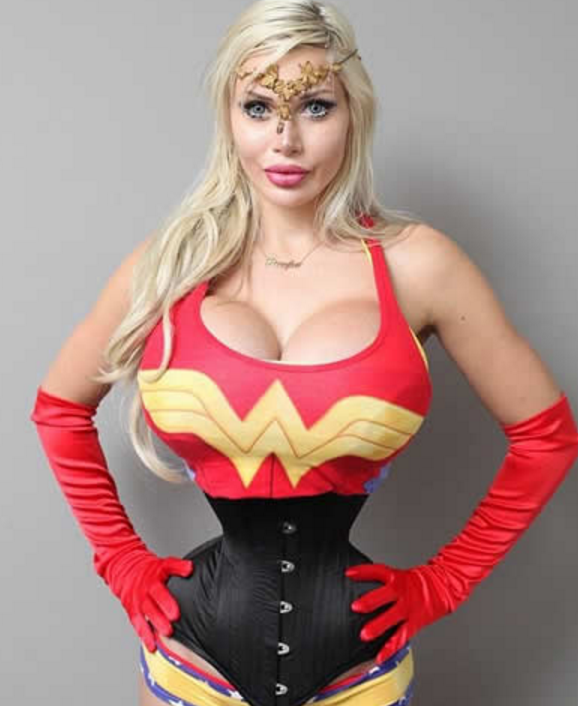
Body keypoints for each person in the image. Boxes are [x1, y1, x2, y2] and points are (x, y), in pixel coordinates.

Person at [30, 1, 578, 705]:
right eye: (258, 108)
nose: (284, 139)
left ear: (354, 113)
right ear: (228, 117)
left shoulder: (420, 266)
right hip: (190, 661)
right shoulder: (169, 267)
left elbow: (546, 436)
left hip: (359, 669)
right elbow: (59, 410)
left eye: (316, 107)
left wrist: (442, 583)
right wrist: (121, 561)